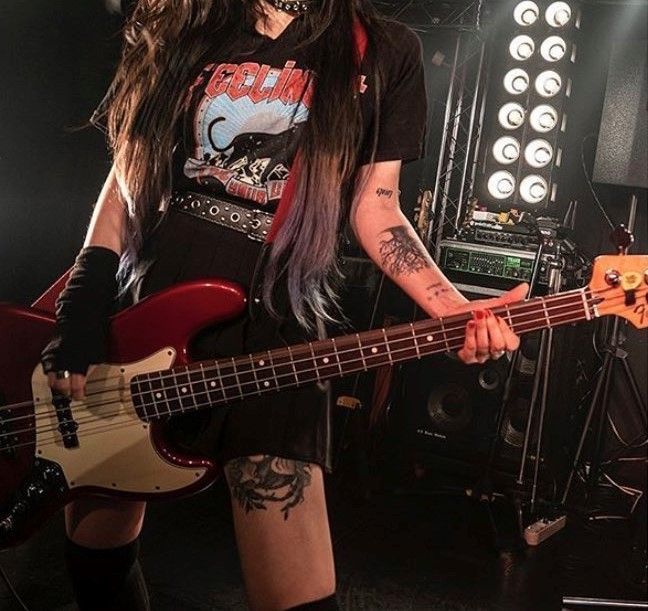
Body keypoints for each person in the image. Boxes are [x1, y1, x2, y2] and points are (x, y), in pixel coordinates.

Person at [41, 1, 525, 609]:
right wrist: (82, 306)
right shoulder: (189, 21)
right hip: (151, 309)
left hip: (276, 328)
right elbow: (127, 176)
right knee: (97, 561)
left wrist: (450, 307)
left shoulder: (379, 51)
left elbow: (376, 206)